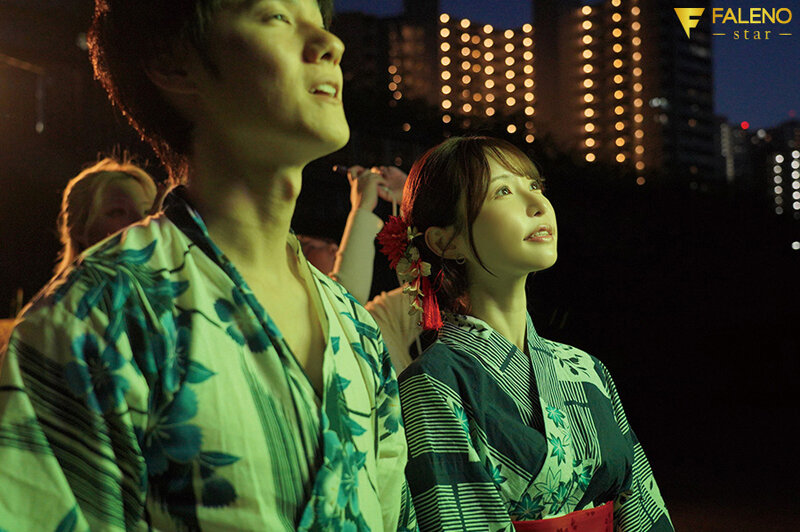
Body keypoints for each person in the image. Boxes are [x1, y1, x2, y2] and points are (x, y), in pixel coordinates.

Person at [0, 0, 415, 530]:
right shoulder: (98, 316)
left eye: (320, 23)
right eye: (277, 17)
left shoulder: (355, 326)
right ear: (174, 64)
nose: (329, 45)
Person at [382, 136, 673, 530]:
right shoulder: (432, 382)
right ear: (445, 241)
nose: (538, 204)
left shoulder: (586, 368)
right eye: (503, 191)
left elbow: (642, 508)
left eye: (535, 186)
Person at [297, 164, 421, 372]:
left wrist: (412, 199)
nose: (334, 248)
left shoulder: (380, 318)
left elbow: (442, 283)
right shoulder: (310, 330)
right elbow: (346, 302)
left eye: (333, 243)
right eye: (309, 246)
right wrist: (361, 208)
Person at [54, 157, 159, 275]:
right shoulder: (74, 287)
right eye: (118, 212)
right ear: (79, 229)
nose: (141, 221)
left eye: (147, 211)